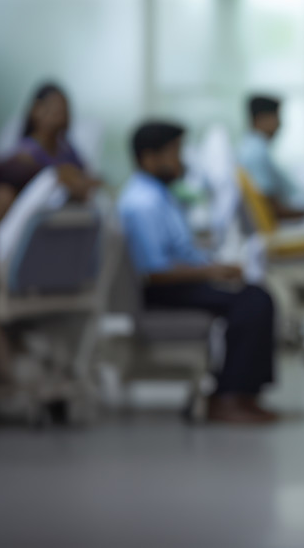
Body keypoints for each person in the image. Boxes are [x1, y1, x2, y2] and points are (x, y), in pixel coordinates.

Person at [118, 121, 278, 425]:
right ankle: (228, 396)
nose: (180, 162)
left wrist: (214, 267)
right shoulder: (142, 203)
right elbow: (154, 272)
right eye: (174, 153)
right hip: (163, 290)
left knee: (256, 295)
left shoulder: (160, 195)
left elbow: (181, 249)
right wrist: (212, 271)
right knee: (252, 303)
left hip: (179, 280)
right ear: (149, 158)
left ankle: (245, 395)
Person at [4, 83, 98, 199]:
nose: (60, 116)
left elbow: (88, 178)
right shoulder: (25, 153)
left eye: (64, 110)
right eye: (54, 108)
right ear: (36, 109)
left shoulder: (66, 150)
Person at [238, 94, 304, 220]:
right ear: (261, 119)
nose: (280, 124)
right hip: (287, 224)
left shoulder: (250, 146)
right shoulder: (257, 153)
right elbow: (273, 208)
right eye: (277, 117)